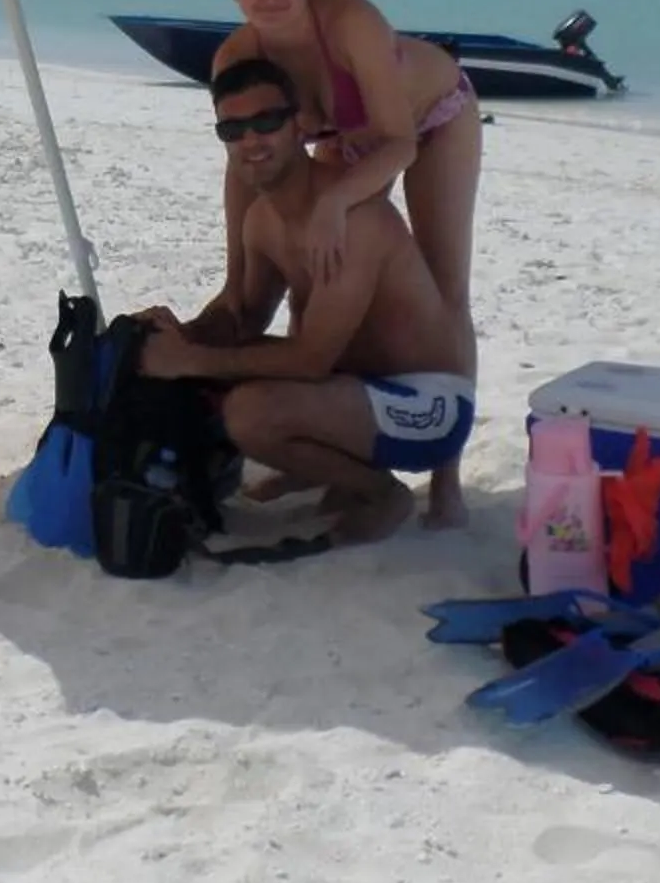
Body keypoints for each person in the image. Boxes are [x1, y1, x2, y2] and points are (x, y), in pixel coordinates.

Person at [139, 58, 474, 539]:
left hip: (430, 407)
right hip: (357, 390)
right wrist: (180, 332)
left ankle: (379, 493)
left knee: (250, 412)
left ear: (299, 127)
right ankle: (330, 472)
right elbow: (245, 318)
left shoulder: (354, 219)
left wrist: (187, 359)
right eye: (233, 130)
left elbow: (312, 360)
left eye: (266, 122)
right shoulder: (262, 220)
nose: (251, 140)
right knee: (224, 379)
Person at [209, 0, 482, 360]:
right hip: (350, 139)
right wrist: (235, 278)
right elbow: (243, 162)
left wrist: (335, 200)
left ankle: (449, 401)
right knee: (316, 270)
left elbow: (399, 144)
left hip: (434, 119)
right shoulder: (235, 59)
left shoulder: (351, 22)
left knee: (444, 283)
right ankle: (324, 387)